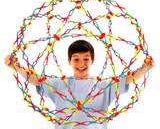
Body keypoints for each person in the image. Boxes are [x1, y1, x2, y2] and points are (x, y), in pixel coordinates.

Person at [4, 40, 155, 129]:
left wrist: (145, 67)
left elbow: (129, 79)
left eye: (86, 59)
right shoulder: (60, 84)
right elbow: (35, 80)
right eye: (76, 59)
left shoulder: (103, 85)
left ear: (92, 61)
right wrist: (17, 66)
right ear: (69, 61)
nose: (81, 64)